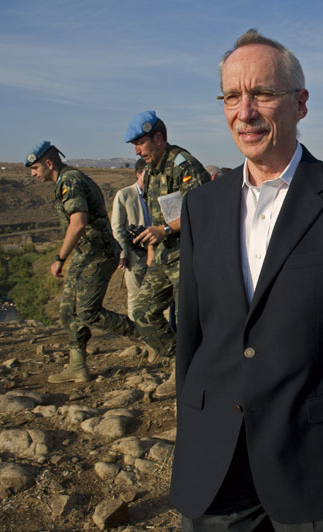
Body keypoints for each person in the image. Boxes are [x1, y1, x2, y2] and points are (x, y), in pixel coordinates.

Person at [170, 29, 323, 532]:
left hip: (312, 468)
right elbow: (191, 338)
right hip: (216, 468)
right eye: (232, 95)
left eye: (263, 93)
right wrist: (192, 436)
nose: (245, 111)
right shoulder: (201, 207)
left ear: (300, 103)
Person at [25, 141, 136, 383]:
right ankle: (78, 365)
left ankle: (143, 333)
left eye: (34, 168)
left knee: (88, 311)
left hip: (98, 253)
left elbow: (78, 223)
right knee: (68, 310)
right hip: (86, 252)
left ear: (48, 163)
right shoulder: (65, 179)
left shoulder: (69, 180)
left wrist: (59, 258)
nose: (32, 173)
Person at [124, 110, 210, 397]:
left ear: (158, 138)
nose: (137, 150)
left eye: (141, 143)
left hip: (189, 258)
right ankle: (184, 363)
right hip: (163, 257)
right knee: (142, 312)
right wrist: (151, 245)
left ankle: (189, 375)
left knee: (189, 322)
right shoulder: (151, 172)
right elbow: (159, 215)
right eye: (134, 145)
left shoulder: (182, 164)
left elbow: (201, 210)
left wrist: (166, 229)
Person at [111, 158, 151, 320]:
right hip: (134, 252)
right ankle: (137, 329)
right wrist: (122, 252)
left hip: (155, 249)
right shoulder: (124, 194)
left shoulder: (156, 192)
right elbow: (117, 226)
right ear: (138, 174)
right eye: (146, 175)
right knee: (135, 293)